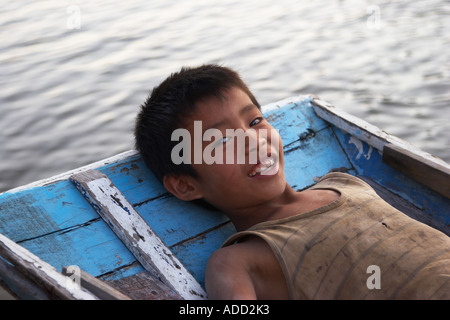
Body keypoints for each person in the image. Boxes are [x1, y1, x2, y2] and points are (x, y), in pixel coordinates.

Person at [134, 64, 450, 300]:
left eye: (255, 121)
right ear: (186, 185)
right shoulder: (238, 263)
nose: (254, 141)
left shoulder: (346, 183)